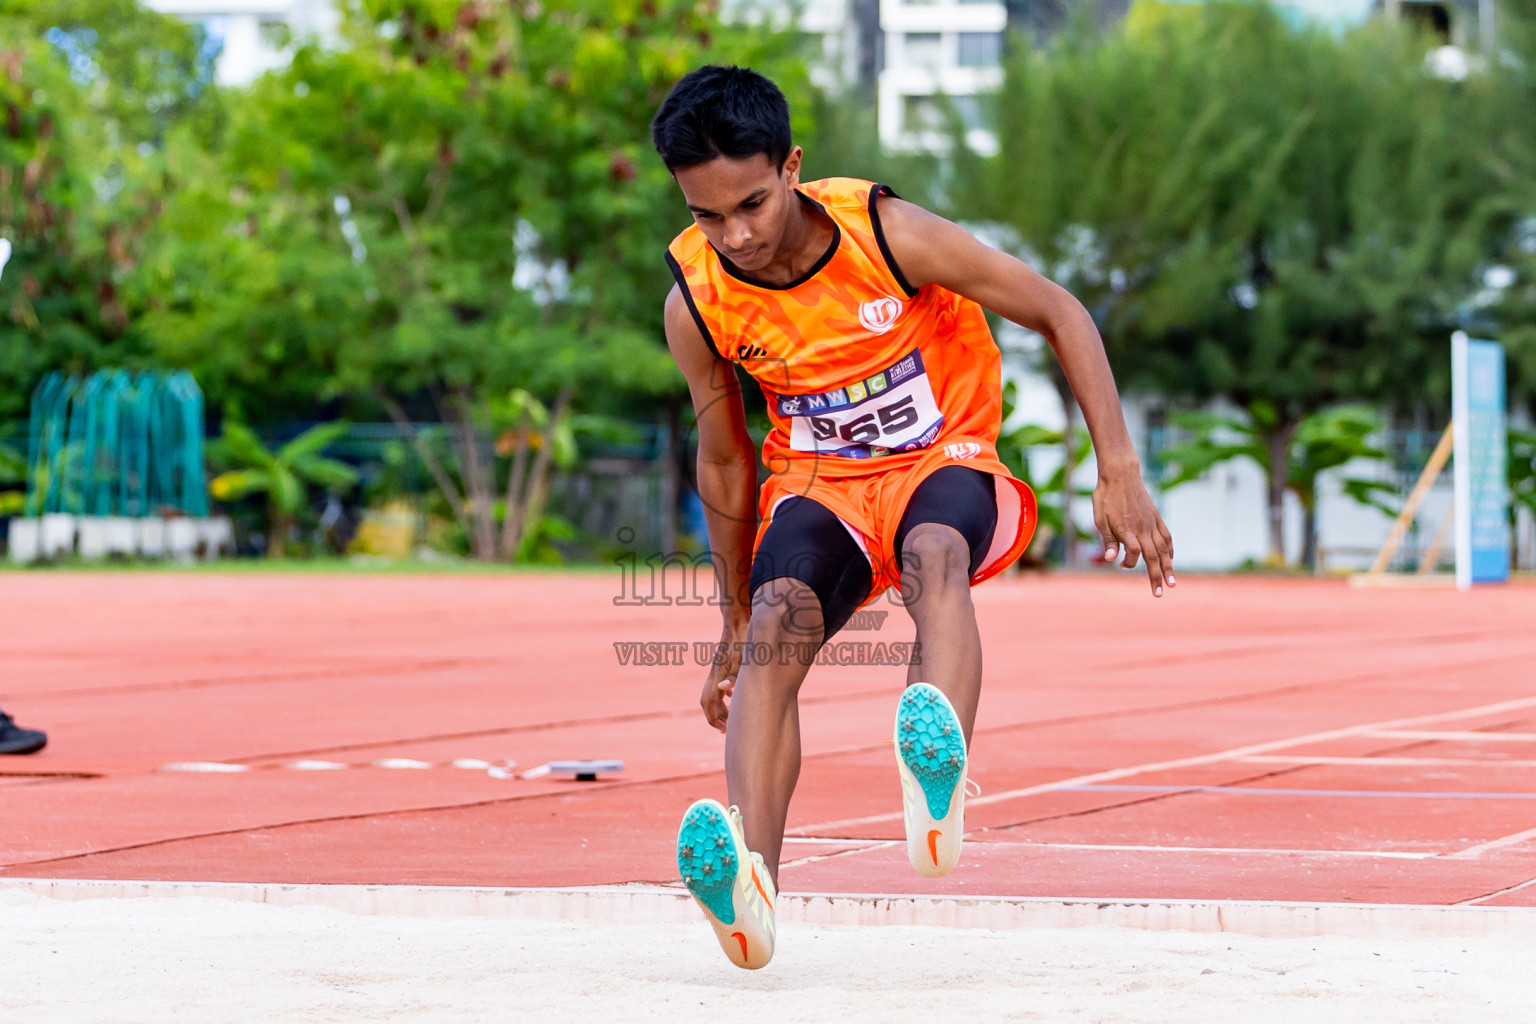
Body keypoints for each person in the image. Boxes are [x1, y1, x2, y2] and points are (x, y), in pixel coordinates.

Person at [651, 65, 1174, 970]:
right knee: (777, 627)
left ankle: (937, 781)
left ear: (792, 166)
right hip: (821, 487)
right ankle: (750, 888)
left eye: (752, 204)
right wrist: (731, 616)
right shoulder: (697, 299)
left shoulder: (887, 234)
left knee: (934, 552)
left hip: (944, 458)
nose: (736, 235)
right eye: (708, 217)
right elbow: (726, 456)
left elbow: (1059, 309)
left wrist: (1117, 465)